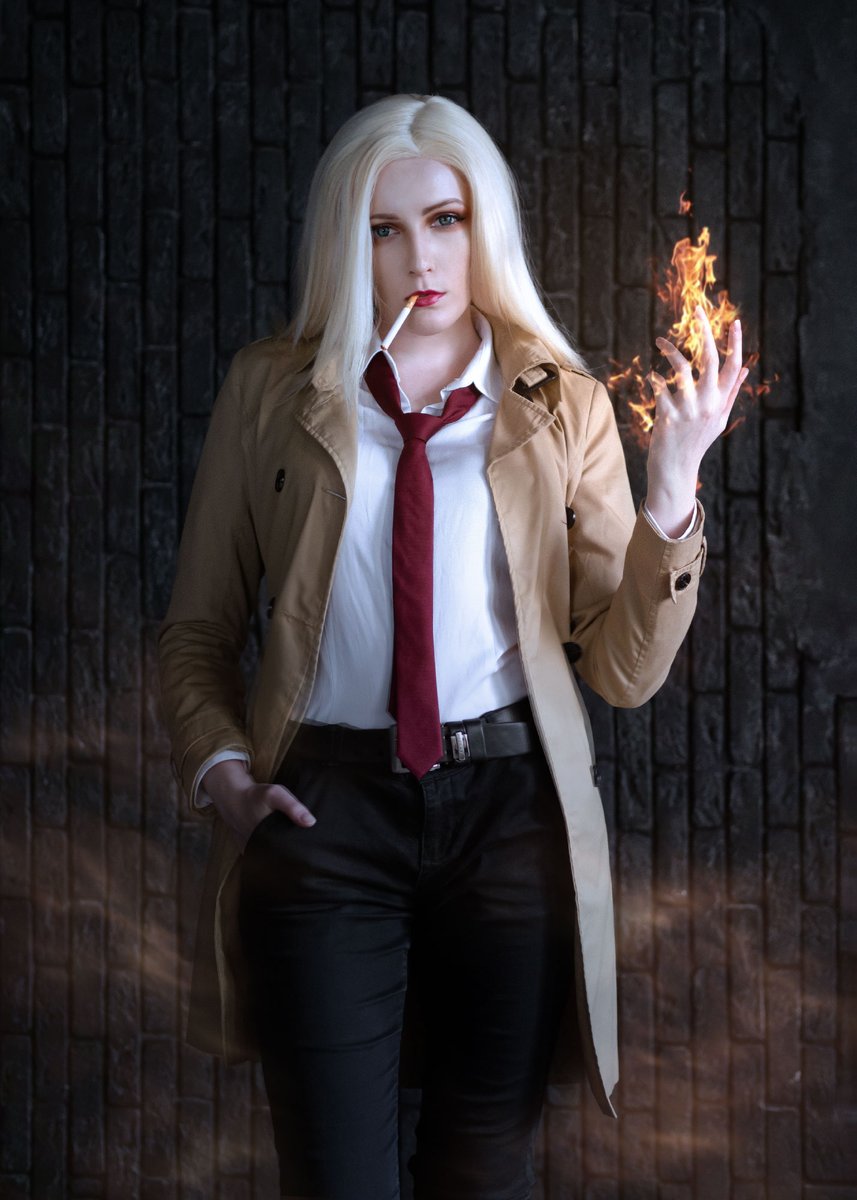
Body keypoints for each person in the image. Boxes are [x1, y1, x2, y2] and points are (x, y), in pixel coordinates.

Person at [158, 94, 747, 1200]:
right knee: (338, 1178)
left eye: (444, 220)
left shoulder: (562, 405)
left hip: (507, 819)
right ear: (347, 241)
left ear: (485, 226)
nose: (418, 258)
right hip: (325, 816)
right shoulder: (269, 392)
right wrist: (224, 774)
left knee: (483, 1175)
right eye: (382, 229)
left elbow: (621, 673)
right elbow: (197, 631)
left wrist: (671, 496)